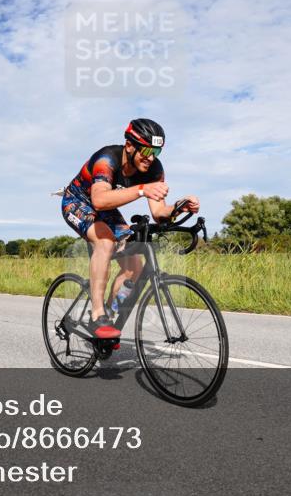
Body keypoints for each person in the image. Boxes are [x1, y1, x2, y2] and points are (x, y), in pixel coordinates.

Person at [60, 119, 199, 339]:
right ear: (129, 146)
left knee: (134, 265)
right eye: (146, 150)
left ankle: (109, 313)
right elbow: (99, 200)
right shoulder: (106, 159)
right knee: (105, 242)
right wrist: (142, 189)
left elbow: (159, 212)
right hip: (78, 201)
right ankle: (97, 314)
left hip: (107, 207)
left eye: (156, 152)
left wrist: (179, 207)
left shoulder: (154, 169)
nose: (151, 158)